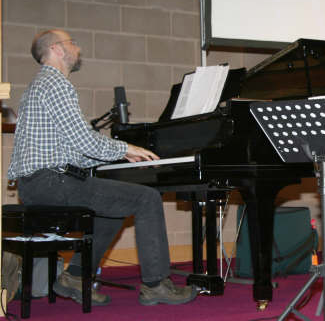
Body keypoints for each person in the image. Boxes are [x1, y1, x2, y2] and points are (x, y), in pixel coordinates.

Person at [7, 29, 197, 307]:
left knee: (114, 211)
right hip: (50, 182)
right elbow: (84, 141)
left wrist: (118, 157)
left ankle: (73, 278)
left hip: (38, 183)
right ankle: (156, 284)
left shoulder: (40, 85)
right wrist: (126, 149)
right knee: (146, 198)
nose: (78, 48)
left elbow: (76, 152)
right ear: (57, 49)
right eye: (72, 43)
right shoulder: (55, 84)